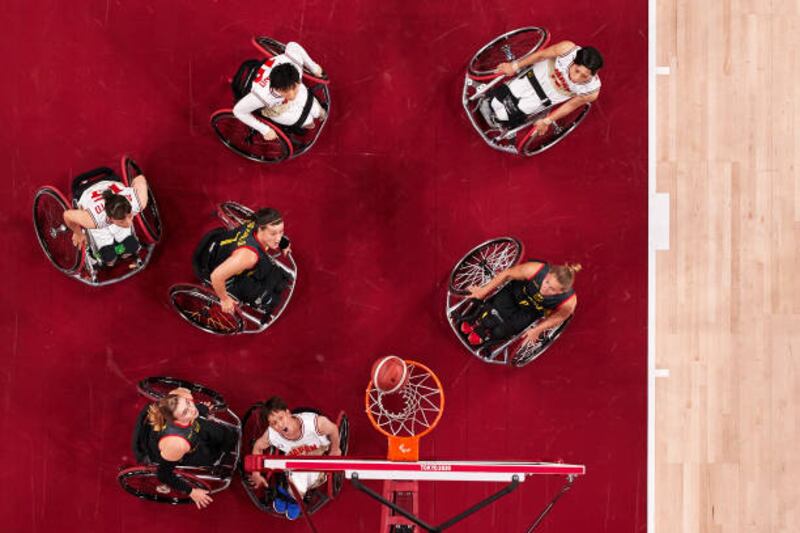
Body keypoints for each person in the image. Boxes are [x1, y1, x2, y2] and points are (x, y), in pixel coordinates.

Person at [248, 397, 342, 520]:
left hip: (319, 451)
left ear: (288, 412)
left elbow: (334, 429)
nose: (280, 425)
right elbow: (258, 446)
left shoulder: (314, 423)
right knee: (294, 465)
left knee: (302, 472)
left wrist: (335, 449)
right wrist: (256, 473)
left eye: (281, 418)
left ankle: (293, 495)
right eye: (274, 423)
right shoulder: (272, 434)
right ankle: (293, 495)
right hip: (295, 457)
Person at [145, 387, 237, 509]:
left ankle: (225, 444)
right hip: (189, 450)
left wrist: (201, 409)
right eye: (185, 412)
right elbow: (163, 474)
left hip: (193, 430)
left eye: (188, 403)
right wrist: (191, 491)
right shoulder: (176, 443)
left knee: (224, 434)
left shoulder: (179, 396)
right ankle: (219, 460)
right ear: (175, 420)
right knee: (214, 456)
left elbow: (185, 395)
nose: (192, 409)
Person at [487, 41, 603, 135]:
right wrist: (514, 66)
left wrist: (547, 121)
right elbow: (540, 55)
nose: (576, 78)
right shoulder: (567, 49)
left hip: (545, 98)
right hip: (533, 77)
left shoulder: (591, 91)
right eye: (577, 70)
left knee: (503, 115)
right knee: (495, 101)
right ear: (573, 61)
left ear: (593, 74)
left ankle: (500, 117)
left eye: (584, 76)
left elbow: (570, 105)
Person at [192, 207, 291, 315]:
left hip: (219, 243)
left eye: (281, 232)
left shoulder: (256, 221)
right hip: (211, 267)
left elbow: (277, 237)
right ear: (260, 229)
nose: (278, 238)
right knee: (260, 294)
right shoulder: (248, 257)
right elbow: (216, 276)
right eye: (273, 234)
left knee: (265, 266)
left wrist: (283, 243)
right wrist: (224, 299)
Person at [459, 261, 580, 346]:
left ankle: (488, 335)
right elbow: (507, 273)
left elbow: (559, 317)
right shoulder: (533, 270)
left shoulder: (568, 302)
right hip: (515, 294)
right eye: (547, 282)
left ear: (562, 291)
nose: (545, 288)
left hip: (531, 311)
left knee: (501, 331)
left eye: (552, 289)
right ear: (547, 275)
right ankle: (478, 322)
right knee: (491, 313)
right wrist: (483, 291)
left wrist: (538, 330)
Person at [233, 41, 327, 141]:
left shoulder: (294, 63)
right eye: (285, 91)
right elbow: (238, 111)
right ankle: (304, 123)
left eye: (294, 88)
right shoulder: (262, 95)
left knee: (318, 112)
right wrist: (264, 129)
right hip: (275, 107)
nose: (291, 95)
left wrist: (313, 67)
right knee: (309, 121)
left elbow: (292, 45)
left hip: (286, 90)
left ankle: (314, 112)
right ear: (275, 88)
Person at [62, 172, 149, 266]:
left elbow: (140, 178)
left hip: (109, 183)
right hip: (87, 191)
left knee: (132, 246)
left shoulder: (137, 202)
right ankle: (106, 255)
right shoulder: (93, 220)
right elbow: (67, 215)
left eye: (130, 216)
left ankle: (116, 251)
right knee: (109, 258)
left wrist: (132, 190)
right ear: (110, 219)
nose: (128, 222)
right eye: (122, 221)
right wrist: (78, 233)